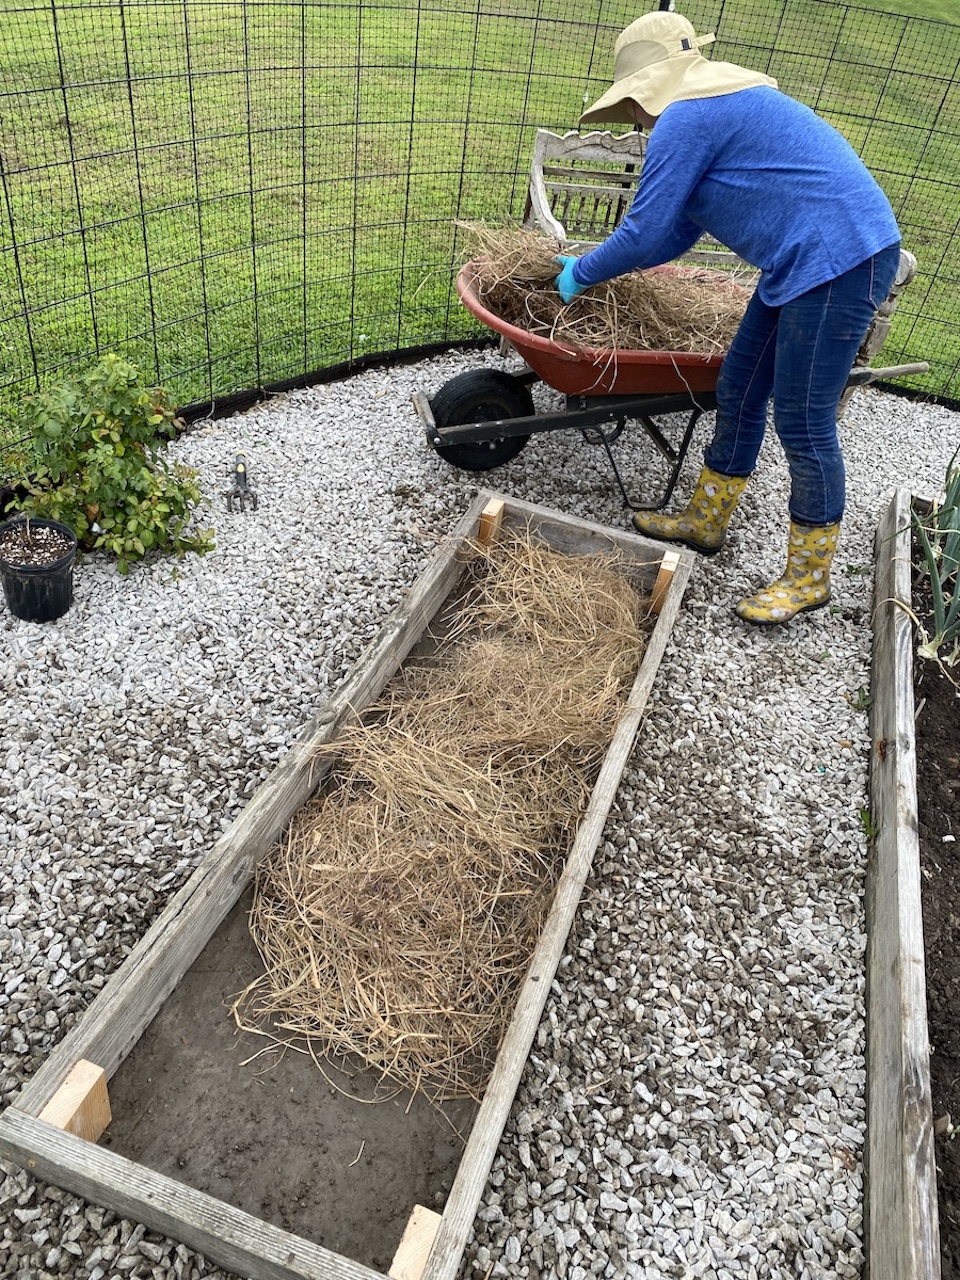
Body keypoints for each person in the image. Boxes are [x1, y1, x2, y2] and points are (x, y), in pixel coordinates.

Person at [554, 10, 901, 625]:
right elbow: (670, 235)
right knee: (740, 388)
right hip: (801, 261)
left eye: (631, 107)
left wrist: (581, 274)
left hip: (839, 261)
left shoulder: (687, 114)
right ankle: (706, 521)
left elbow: (640, 233)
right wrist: (593, 262)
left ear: (644, 90)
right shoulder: (713, 102)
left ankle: (809, 577)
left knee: (803, 419)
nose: (634, 121)